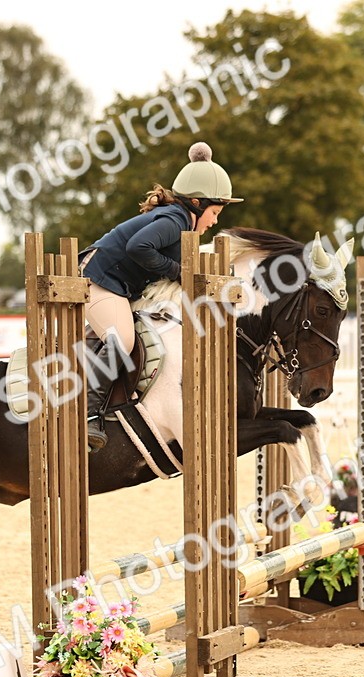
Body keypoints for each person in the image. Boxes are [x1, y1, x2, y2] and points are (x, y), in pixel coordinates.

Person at [78, 141, 242, 452]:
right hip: (97, 278)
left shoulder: (181, 223)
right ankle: (88, 413)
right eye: (215, 212)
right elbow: (137, 248)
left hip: (117, 285)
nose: (215, 221)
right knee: (123, 341)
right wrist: (178, 271)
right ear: (196, 202)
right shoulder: (174, 220)